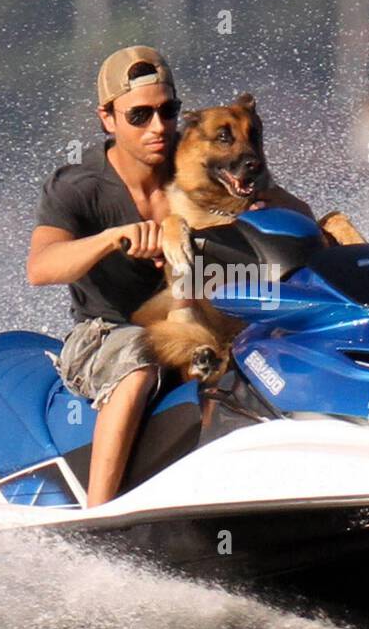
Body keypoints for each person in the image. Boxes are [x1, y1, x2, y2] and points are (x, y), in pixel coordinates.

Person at [27, 45, 313, 507]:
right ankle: (98, 516)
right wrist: (113, 238)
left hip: (197, 321)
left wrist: (281, 213)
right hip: (109, 333)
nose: (157, 127)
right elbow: (41, 267)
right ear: (107, 118)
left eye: (167, 111)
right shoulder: (78, 187)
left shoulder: (199, 164)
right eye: (139, 115)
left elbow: (293, 212)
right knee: (139, 365)